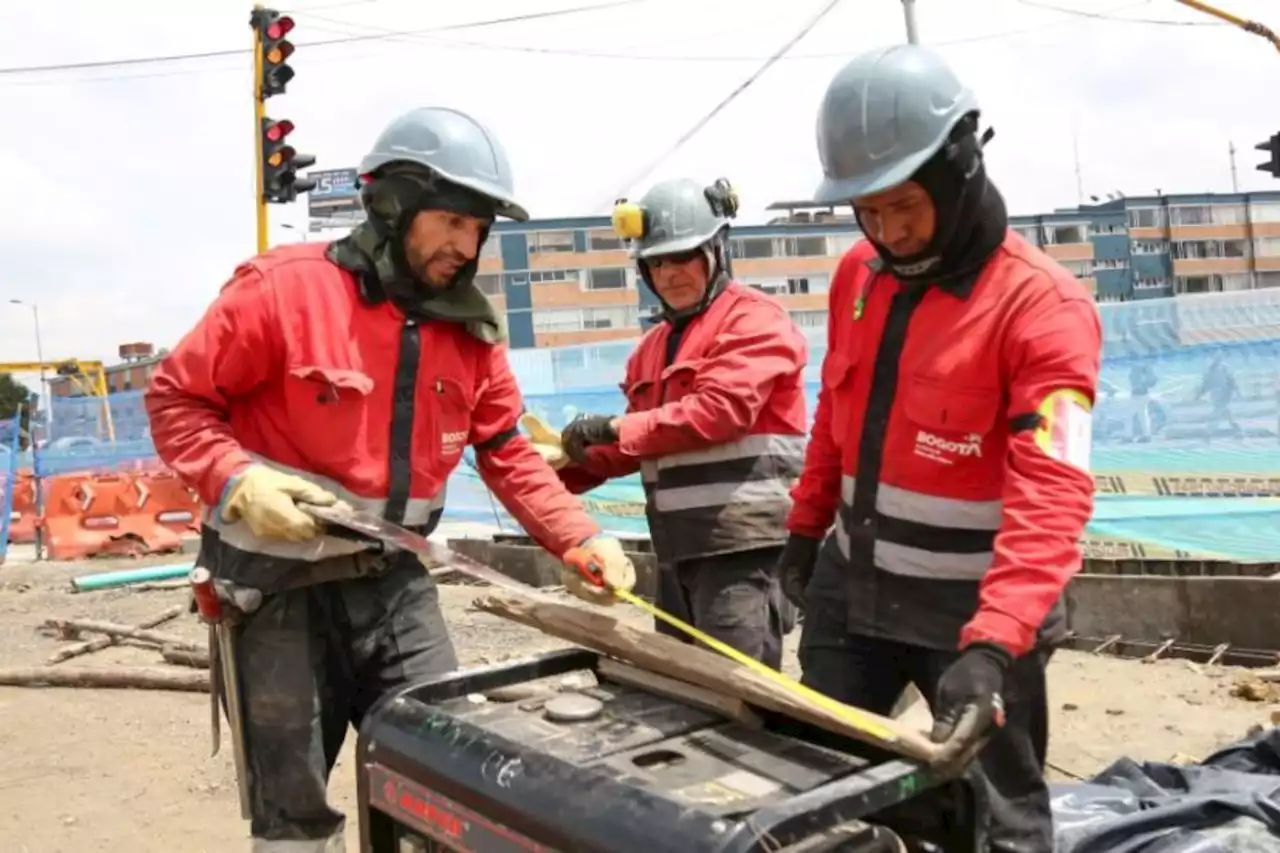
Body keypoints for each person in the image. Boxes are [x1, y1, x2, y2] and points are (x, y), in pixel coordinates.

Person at [144, 106, 637, 853]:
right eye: (450, 221)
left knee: (440, 770)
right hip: (273, 587)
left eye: (479, 229)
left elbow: (506, 448)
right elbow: (175, 398)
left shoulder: (469, 334)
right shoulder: (282, 291)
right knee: (293, 806)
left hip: (395, 581)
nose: (466, 246)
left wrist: (580, 536)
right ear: (392, 202)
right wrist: (235, 479)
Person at [776, 45, 1101, 852]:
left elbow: (1053, 496)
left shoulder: (1045, 309)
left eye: (906, 208)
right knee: (821, 783)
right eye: (868, 212)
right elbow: (837, 411)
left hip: (974, 613)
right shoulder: (860, 274)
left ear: (960, 168)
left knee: (1000, 814)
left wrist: (993, 644)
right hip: (854, 590)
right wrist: (805, 529)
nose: (888, 233)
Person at [548, 177, 807, 668]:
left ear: (716, 250)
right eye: (656, 262)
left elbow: (719, 412)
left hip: (742, 548)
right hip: (676, 550)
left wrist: (612, 428)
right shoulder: (650, 349)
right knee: (686, 686)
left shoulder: (754, 320)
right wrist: (560, 465)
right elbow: (645, 443)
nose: (669, 273)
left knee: (739, 693)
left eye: (683, 256)